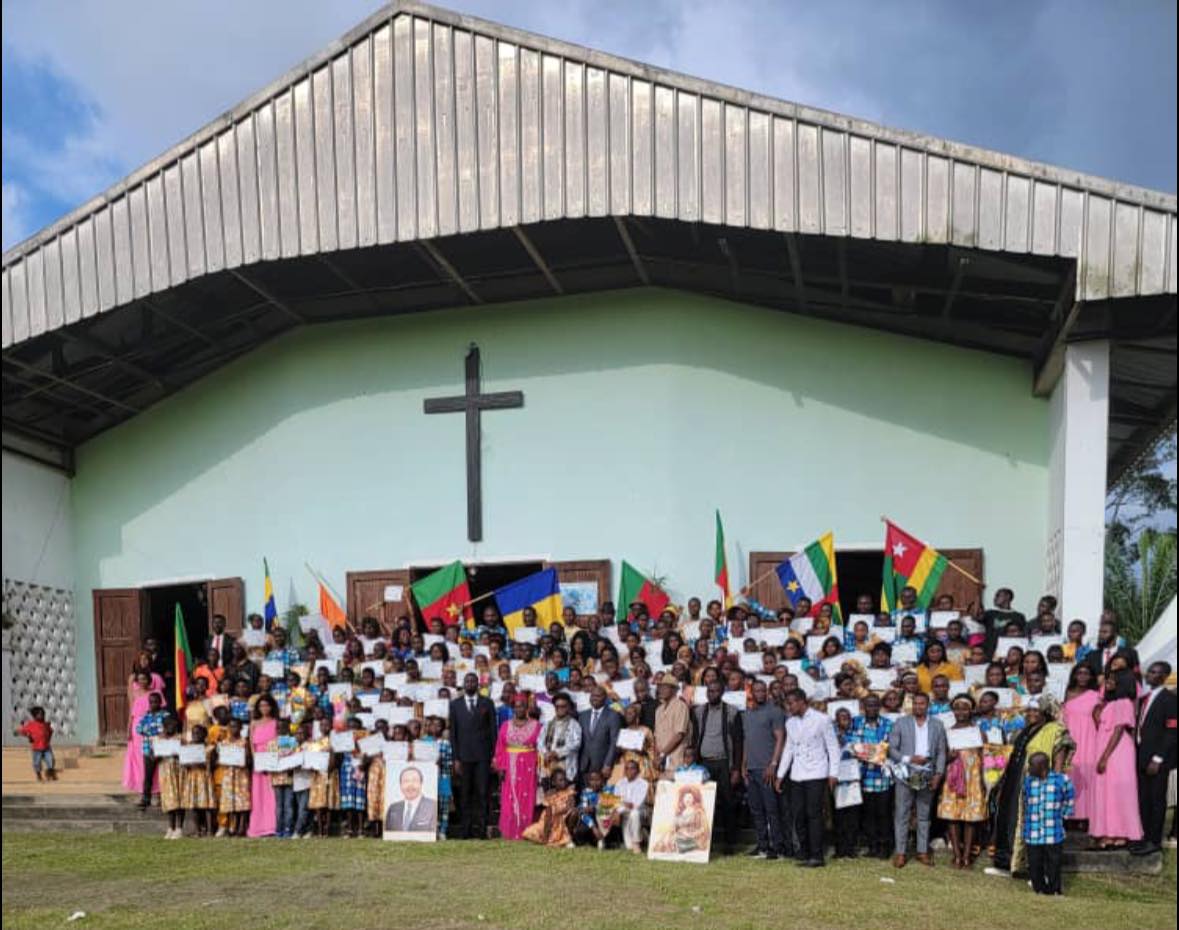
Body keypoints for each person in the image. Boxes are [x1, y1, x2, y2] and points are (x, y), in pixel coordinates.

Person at [987, 695, 1074, 876]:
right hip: (1015, 780)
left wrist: (1055, 783)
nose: (1031, 714)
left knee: (1030, 824)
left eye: (1036, 710)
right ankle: (1006, 863)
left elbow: (1059, 755)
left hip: (1038, 784)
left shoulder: (1055, 730)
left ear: (1046, 712)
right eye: (1030, 710)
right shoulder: (1027, 730)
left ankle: (1030, 868)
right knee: (1009, 818)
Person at [775, 687, 840, 868]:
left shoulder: (822, 719)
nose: (788, 707)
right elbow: (789, 749)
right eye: (787, 704)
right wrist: (780, 775)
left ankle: (817, 855)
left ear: (801, 701)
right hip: (797, 774)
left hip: (817, 772)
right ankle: (803, 851)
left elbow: (833, 748)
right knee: (798, 815)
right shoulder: (790, 722)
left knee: (814, 815)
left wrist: (833, 773)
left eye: (790, 703)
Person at [888, 692, 947, 867]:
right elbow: (892, 749)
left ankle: (922, 851)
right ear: (911, 705)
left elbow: (942, 751)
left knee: (924, 815)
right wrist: (909, 759)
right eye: (916, 704)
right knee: (902, 814)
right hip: (906, 773)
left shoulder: (937, 725)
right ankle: (900, 853)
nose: (918, 707)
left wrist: (938, 774)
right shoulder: (901, 722)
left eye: (922, 704)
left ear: (928, 706)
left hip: (927, 774)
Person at [1089, 670, 1143, 848]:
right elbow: (1100, 724)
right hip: (1104, 746)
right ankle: (1106, 832)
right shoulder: (1108, 703)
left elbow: (1119, 730)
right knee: (1105, 791)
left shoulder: (1124, 702)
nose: (1108, 682)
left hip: (1117, 750)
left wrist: (1105, 756)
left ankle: (1121, 833)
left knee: (1117, 791)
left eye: (1112, 680)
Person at [692, 679, 744, 852]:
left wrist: (736, 768)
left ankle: (730, 843)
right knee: (703, 804)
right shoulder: (699, 711)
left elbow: (738, 742)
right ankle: (704, 841)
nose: (711, 694)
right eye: (709, 691)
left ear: (722, 692)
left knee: (728, 803)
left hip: (723, 763)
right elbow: (695, 738)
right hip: (704, 763)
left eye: (715, 691)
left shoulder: (731, 712)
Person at [1131, 661, 1177, 856]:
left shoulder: (1169, 699)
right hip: (1141, 755)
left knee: (1157, 800)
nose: (1148, 674)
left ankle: (1154, 841)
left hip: (1157, 760)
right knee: (1143, 799)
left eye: (1154, 672)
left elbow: (1171, 732)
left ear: (1164, 676)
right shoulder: (1145, 698)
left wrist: (1158, 759)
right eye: (1149, 671)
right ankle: (1143, 836)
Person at [938, 694, 987, 869]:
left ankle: (967, 856)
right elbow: (939, 756)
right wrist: (947, 758)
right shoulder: (947, 732)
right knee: (952, 816)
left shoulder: (978, 731)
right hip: (952, 777)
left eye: (965, 707)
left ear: (971, 710)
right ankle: (956, 855)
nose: (961, 711)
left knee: (970, 817)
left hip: (973, 778)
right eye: (957, 707)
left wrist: (984, 780)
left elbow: (984, 757)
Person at [449, 672, 497, 839]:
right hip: (463, 757)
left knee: (483, 794)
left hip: (483, 757)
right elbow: (453, 734)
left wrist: (494, 756)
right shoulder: (455, 705)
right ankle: (465, 830)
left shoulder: (487, 703)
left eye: (473, 681)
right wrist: (455, 758)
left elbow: (493, 731)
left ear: (478, 684)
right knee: (464, 794)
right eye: (467, 681)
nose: (470, 684)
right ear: (463, 684)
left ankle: (482, 830)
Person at [741, 679, 785, 859]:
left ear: (766, 692)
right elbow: (747, 740)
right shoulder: (748, 713)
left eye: (762, 691)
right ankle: (762, 846)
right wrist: (743, 764)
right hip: (751, 768)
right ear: (752, 692)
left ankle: (778, 846)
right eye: (756, 691)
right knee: (756, 810)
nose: (759, 694)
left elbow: (780, 739)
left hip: (766, 769)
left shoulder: (774, 712)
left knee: (771, 810)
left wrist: (773, 764)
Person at [1022, 752, 1075, 895]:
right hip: (1033, 830)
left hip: (1053, 831)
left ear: (1042, 766)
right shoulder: (1028, 781)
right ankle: (1039, 889)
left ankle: (1055, 890)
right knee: (1034, 863)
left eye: (1031, 765)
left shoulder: (1061, 780)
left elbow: (1069, 799)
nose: (1029, 768)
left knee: (1054, 863)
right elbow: (1026, 801)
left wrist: (1063, 816)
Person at [851, 694, 895, 859]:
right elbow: (853, 747)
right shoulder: (855, 723)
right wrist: (873, 751)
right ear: (863, 707)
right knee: (868, 814)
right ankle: (872, 846)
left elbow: (887, 749)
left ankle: (885, 847)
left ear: (880, 707)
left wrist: (864, 750)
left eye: (875, 705)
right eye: (869, 705)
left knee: (883, 814)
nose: (872, 709)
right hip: (863, 776)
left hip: (882, 778)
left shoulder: (888, 724)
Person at [494, 694, 542, 840]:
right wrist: (500, 767)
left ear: (527, 707)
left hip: (528, 766)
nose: (519, 708)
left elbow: (540, 749)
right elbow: (500, 747)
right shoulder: (505, 725)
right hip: (509, 766)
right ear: (513, 708)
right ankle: (509, 832)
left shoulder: (537, 726)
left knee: (527, 798)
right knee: (509, 799)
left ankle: (526, 832)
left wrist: (539, 769)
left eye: (522, 705)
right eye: (516, 706)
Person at [1060, 663, 1102, 824]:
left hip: (1089, 739)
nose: (1083, 676)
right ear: (1074, 675)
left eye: (1087, 673)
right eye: (1080, 673)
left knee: (1087, 775)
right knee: (1068, 775)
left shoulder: (1095, 695)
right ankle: (1068, 815)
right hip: (1068, 739)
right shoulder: (1066, 693)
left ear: (1091, 677)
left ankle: (1086, 817)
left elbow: (1099, 720)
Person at [246, 695, 280, 837]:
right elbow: (251, 745)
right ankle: (258, 827)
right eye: (261, 706)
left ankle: (272, 826)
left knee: (272, 794)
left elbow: (279, 743)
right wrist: (257, 761)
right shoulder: (253, 723)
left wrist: (272, 761)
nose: (264, 708)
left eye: (267, 705)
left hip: (272, 761)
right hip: (259, 763)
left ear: (272, 706)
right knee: (258, 795)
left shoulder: (276, 722)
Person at [522, 767, 577, 848]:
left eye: (564, 780)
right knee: (529, 832)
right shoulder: (550, 794)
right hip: (548, 819)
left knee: (570, 814)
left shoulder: (569, 793)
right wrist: (552, 813)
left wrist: (558, 811)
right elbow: (547, 808)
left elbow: (570, 806)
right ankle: (546, 837)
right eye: (560, 780)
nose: (564, 782)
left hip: (562, 817)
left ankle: (566, 838)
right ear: (554, 782)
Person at [578, 687, 622, 784]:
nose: (595, 698)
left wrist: (608, 763)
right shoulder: (583, 715)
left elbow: (614, 741)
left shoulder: (613, 715)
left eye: (598, 696)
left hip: (602, 765)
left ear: (605, 698)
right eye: (593, 695)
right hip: (584, 764)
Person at [215, 718, 251, 837]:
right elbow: (220, 759)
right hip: (228, 775)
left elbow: (249, 759)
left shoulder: (244, 742)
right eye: (231, 726)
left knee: (242, 801)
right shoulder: (224, 743)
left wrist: (244, 757)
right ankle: (232, 826)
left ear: (241, 728)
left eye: (236, 726)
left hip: (241, 775)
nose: (233, 729)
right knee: (230, 801)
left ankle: (241, 826)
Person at [134, 691, 168, 809]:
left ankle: (166, 798)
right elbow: (138, 729)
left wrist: (149, 731)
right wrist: (155, 731)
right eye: (151, 702)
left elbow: (168, 729)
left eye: (156, 702)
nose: (153, 704)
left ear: (160, 702)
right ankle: (146, 798)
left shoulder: (165, 715)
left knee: (165, 774)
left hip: (163, 749)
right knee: (148, 775)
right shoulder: (146, 716)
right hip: (148, 749)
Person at [180, 724, 215, 837]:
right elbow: (184, 764)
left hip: (204, 777)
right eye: (194, 733)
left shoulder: (209, 747)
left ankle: (210, 830)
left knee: (207, 804)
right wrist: (187, 763)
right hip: (192, 778)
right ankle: (197, 830)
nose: (196, 735)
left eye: (198, 733)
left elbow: (213, 764)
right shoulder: (188, 747)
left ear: (204, 735)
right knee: (194, 804)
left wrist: (204, 764)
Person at [653, 674, 691, 776]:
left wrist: (662, 754)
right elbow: (656, 736)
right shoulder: (658, 710)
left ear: (674, 690)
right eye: (660, 687)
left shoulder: (681, 706)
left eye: (665, 687)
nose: (661, 690)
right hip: (661, 762)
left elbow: (679, 734)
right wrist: (657, 756)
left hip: (676, 758)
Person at [610, 757, 650, 853]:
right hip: (624, 815)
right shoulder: (620, 783)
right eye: (627, 768)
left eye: (632, 768)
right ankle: (643, 835)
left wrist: (621, 805)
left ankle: (637, 842)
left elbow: (635, 805)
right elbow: (615, 801)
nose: (629, 771)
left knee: (634, 813)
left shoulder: (643, 784)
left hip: (640, 813)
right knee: (628, 846)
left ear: (638, 770)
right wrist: (619, 807)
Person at [154, 715, 184, 838]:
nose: (171, 728)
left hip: (178, 771)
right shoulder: (159, 740)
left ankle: (179, 828)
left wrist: (179, 753)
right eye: (169, 726)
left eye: (174, 726)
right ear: (164, 727)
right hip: (165, 772)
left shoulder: (180, 739)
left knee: (179, 798)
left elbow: (188, 754)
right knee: (168, 799)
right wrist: (157, 754)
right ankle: (170, 827)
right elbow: (153, 758)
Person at [384, 765, 439, 832]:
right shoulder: (393, 808)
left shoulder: (433, 806)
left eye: (414, 780)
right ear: (400, 785)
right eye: (406, 781)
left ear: (421, 783)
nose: (410, 785)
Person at [16, 706, 56, 782]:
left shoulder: (46, 724)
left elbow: (50, 731)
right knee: (37, 763)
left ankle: (49, 773)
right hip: (37, 749)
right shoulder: (31, 725)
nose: (41, 716)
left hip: (46, 747)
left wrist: (48, 740)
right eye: (39, 714)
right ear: (34, 716)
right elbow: (23, 731)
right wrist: (26, 735)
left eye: (42, 714)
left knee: (50, 760)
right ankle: (38, 774)